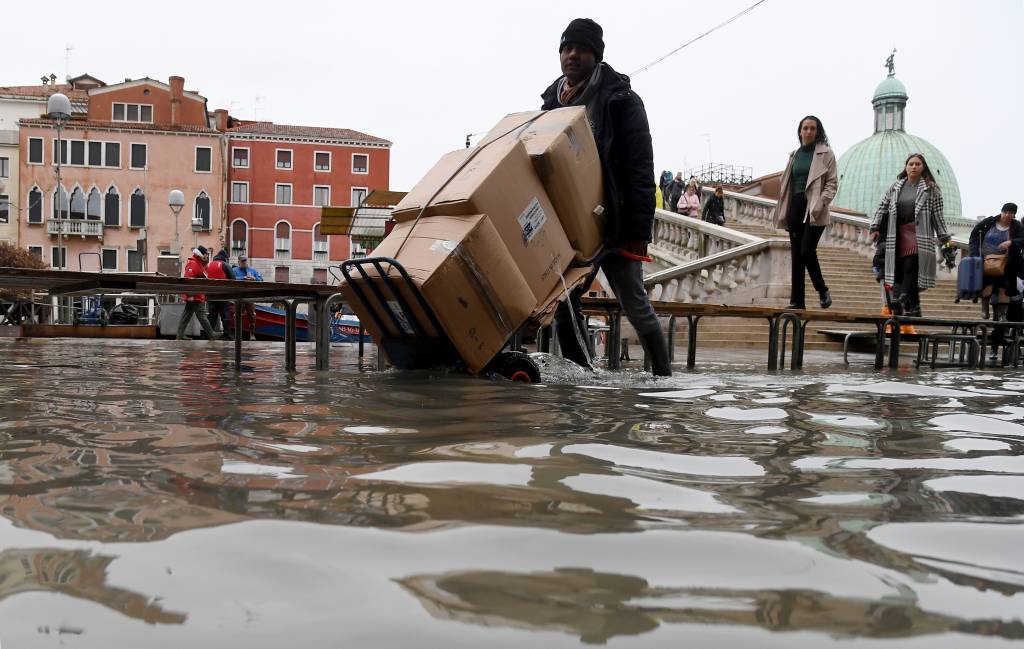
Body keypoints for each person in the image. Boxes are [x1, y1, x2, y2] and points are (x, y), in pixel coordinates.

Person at [543, 17, 670, 376]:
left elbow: (640, 168)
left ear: (595, 55)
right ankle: (581, 374)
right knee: (564, 299)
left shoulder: (621, 100)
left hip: (615, 220)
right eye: (566, 48)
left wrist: (639, 230)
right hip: (572, 222)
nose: (572, 55)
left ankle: (662, 375)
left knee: (633, 300)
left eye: (580, 49)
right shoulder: (550, 103)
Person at [869, 153, 952, 317]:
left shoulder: (931, 189)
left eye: (918, 164)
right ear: (906, 167)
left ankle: (901, 299)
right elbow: (882, 207)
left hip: (919, 233)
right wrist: (875, 226)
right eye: (911, 164)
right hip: (898, 233)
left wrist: (945, 239)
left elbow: (937, 216)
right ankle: (914, 307)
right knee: (899, 269)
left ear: (923, 168)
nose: (914, 167)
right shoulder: (895, 187)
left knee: (911, 266)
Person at [773, 115, 838, 310]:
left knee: (807, 250)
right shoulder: (794, 155)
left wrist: (821, 202)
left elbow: (832, 183)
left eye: (812, 128)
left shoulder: (826, 154)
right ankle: (797, 301)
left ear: (818, 132)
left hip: (815, 207)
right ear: (800, 131)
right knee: (796, 255)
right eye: (805, 128)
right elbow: (787, 183)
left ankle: (822, 289)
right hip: (796, 205)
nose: (808, 131)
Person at [968, 203, 1022, 321]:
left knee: (1005, 288)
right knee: (987, 286)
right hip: (987, 261)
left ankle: (1003, 315)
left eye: (1011, 213)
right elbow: (974, 236)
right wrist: (975, 255)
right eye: (1005, 212)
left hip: (1007, 263)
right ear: (1001, 212)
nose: (1007, 215)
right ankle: (984, 307)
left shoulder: (1017, 226)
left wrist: (1011, 242)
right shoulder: (989, 222)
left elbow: (1022, 239)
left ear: (1014, 215)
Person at [175, 246, 218, 340]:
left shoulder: (198, 263)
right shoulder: (194, 264)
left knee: (186, 316)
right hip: (195, 295)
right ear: (201, 254)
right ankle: (211, 334)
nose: (207, 256)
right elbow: (188, 280)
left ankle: (179, 335)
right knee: (202, 316)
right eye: (206, 254)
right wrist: (190, 295)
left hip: (195, 294)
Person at [231, 255, 263, 339]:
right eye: (242, 261)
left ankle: (252, 334)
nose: (244, 262)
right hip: (239, 295)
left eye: (245, 261)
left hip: (250, 295)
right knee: (237, 315)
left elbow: (261, 279)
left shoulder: (252, 270)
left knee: (252, 315)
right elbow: (231, 279)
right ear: (238, 262)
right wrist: (243, 278)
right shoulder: (234, 270)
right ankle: (237, 334)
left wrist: (254, 279)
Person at [205, 249, 233, 340]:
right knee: (225, 315)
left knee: (212, 315)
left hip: (210, 295)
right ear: (225, 258)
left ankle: (209, 334)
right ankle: (226, 335)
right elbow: (234, 279)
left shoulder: (208, 265)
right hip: (223, 294)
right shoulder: (225, 265)